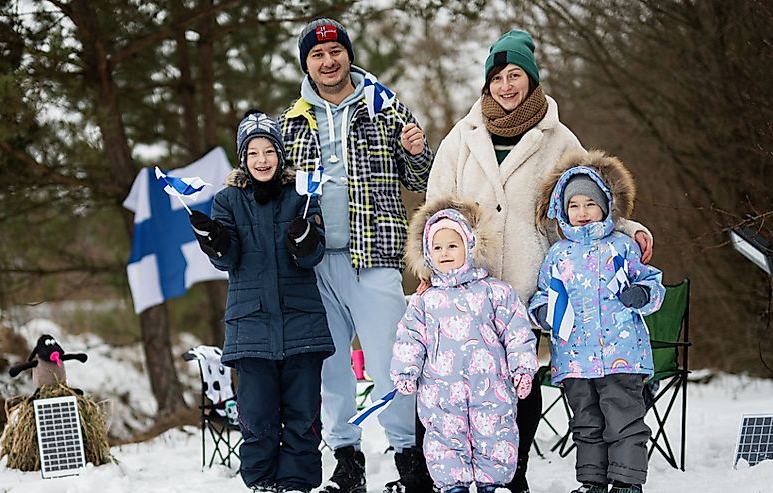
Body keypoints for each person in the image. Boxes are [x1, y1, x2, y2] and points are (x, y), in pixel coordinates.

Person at [424, 29, 654, 493]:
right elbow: (436, 209)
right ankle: (450, 476)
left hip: (531, 282)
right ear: (486, 83)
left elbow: (589, 197)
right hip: (472, 288)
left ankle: (514, 475)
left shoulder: (558, 137)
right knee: (465, 387)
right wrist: (432, 270)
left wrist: (631, 229)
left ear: (531, 80)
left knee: (520, 382)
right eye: (498, 77)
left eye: (516, 76)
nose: (506, 86)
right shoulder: (461, 138)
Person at [278, 17, 434, 493]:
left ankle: (409, 455)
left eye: (335, 52)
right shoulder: (290, 122)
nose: (328, 61)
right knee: (331, 368)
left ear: (348, 54)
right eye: (317, 55)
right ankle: (347, 459)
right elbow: (271, 191)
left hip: (376, 256)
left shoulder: (383, 107)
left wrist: (418, 150)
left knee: (390, 366)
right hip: (314, 265)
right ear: (307, 64)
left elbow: (423, 181)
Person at [189, 111, 335, 493]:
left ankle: (297, 483)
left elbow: (312, 256)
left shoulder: (302, 195)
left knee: (303, 415)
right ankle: (261, 482)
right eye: (253, 152)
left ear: (280, 154)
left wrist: (305, 238)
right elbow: (228, 259)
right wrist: (215, 240)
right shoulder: (228, 201)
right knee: (257, 417)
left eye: (269, 150)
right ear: (243, 158)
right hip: (250, 328)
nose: (262, 159)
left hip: (301, 324)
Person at [528, 149, 665, 493]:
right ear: (562, 211)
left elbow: (651, 280)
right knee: (586, 423)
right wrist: (542, 311)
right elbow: (543, 293)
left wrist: (643, 294)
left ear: (605, 205)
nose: (583, 213)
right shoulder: (557, 254)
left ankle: (627, 481)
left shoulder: (621, 246)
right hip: (574, 358)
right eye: (574, 206)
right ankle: (593, 482)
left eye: (590, 204)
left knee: (623, 419)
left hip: (621, 353)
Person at [391, 198, 539, 493]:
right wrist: (406, 371)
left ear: (469, 246)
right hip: (441, 396)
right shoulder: (425, 300)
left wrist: (523, 369)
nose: (445, 253)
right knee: (444, 444)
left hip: (491, 392)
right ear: (428, 255)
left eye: (452, 245)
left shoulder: (495, 292)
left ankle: (493, 485)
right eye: (438, 248)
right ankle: (452, 486)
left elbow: (517, 333)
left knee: (496, 438)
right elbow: (410, 337)